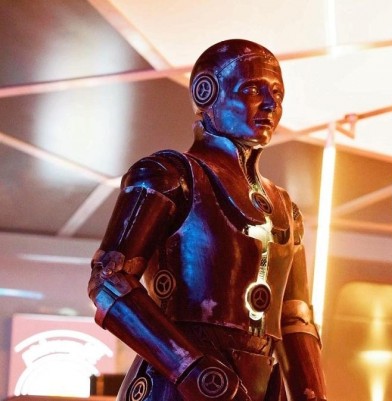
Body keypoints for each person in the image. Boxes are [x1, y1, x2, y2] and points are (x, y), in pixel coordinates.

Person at [88, 39, 327, 401]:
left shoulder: (285, 208)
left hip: (261, 383)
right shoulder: (167, 175)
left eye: (277, 92)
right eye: (252, 89)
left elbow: (295, 316)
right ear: (207, 91)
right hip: (174, 385)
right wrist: (189, 366)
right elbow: (108, 282)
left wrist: (313, 392)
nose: (270, 103)